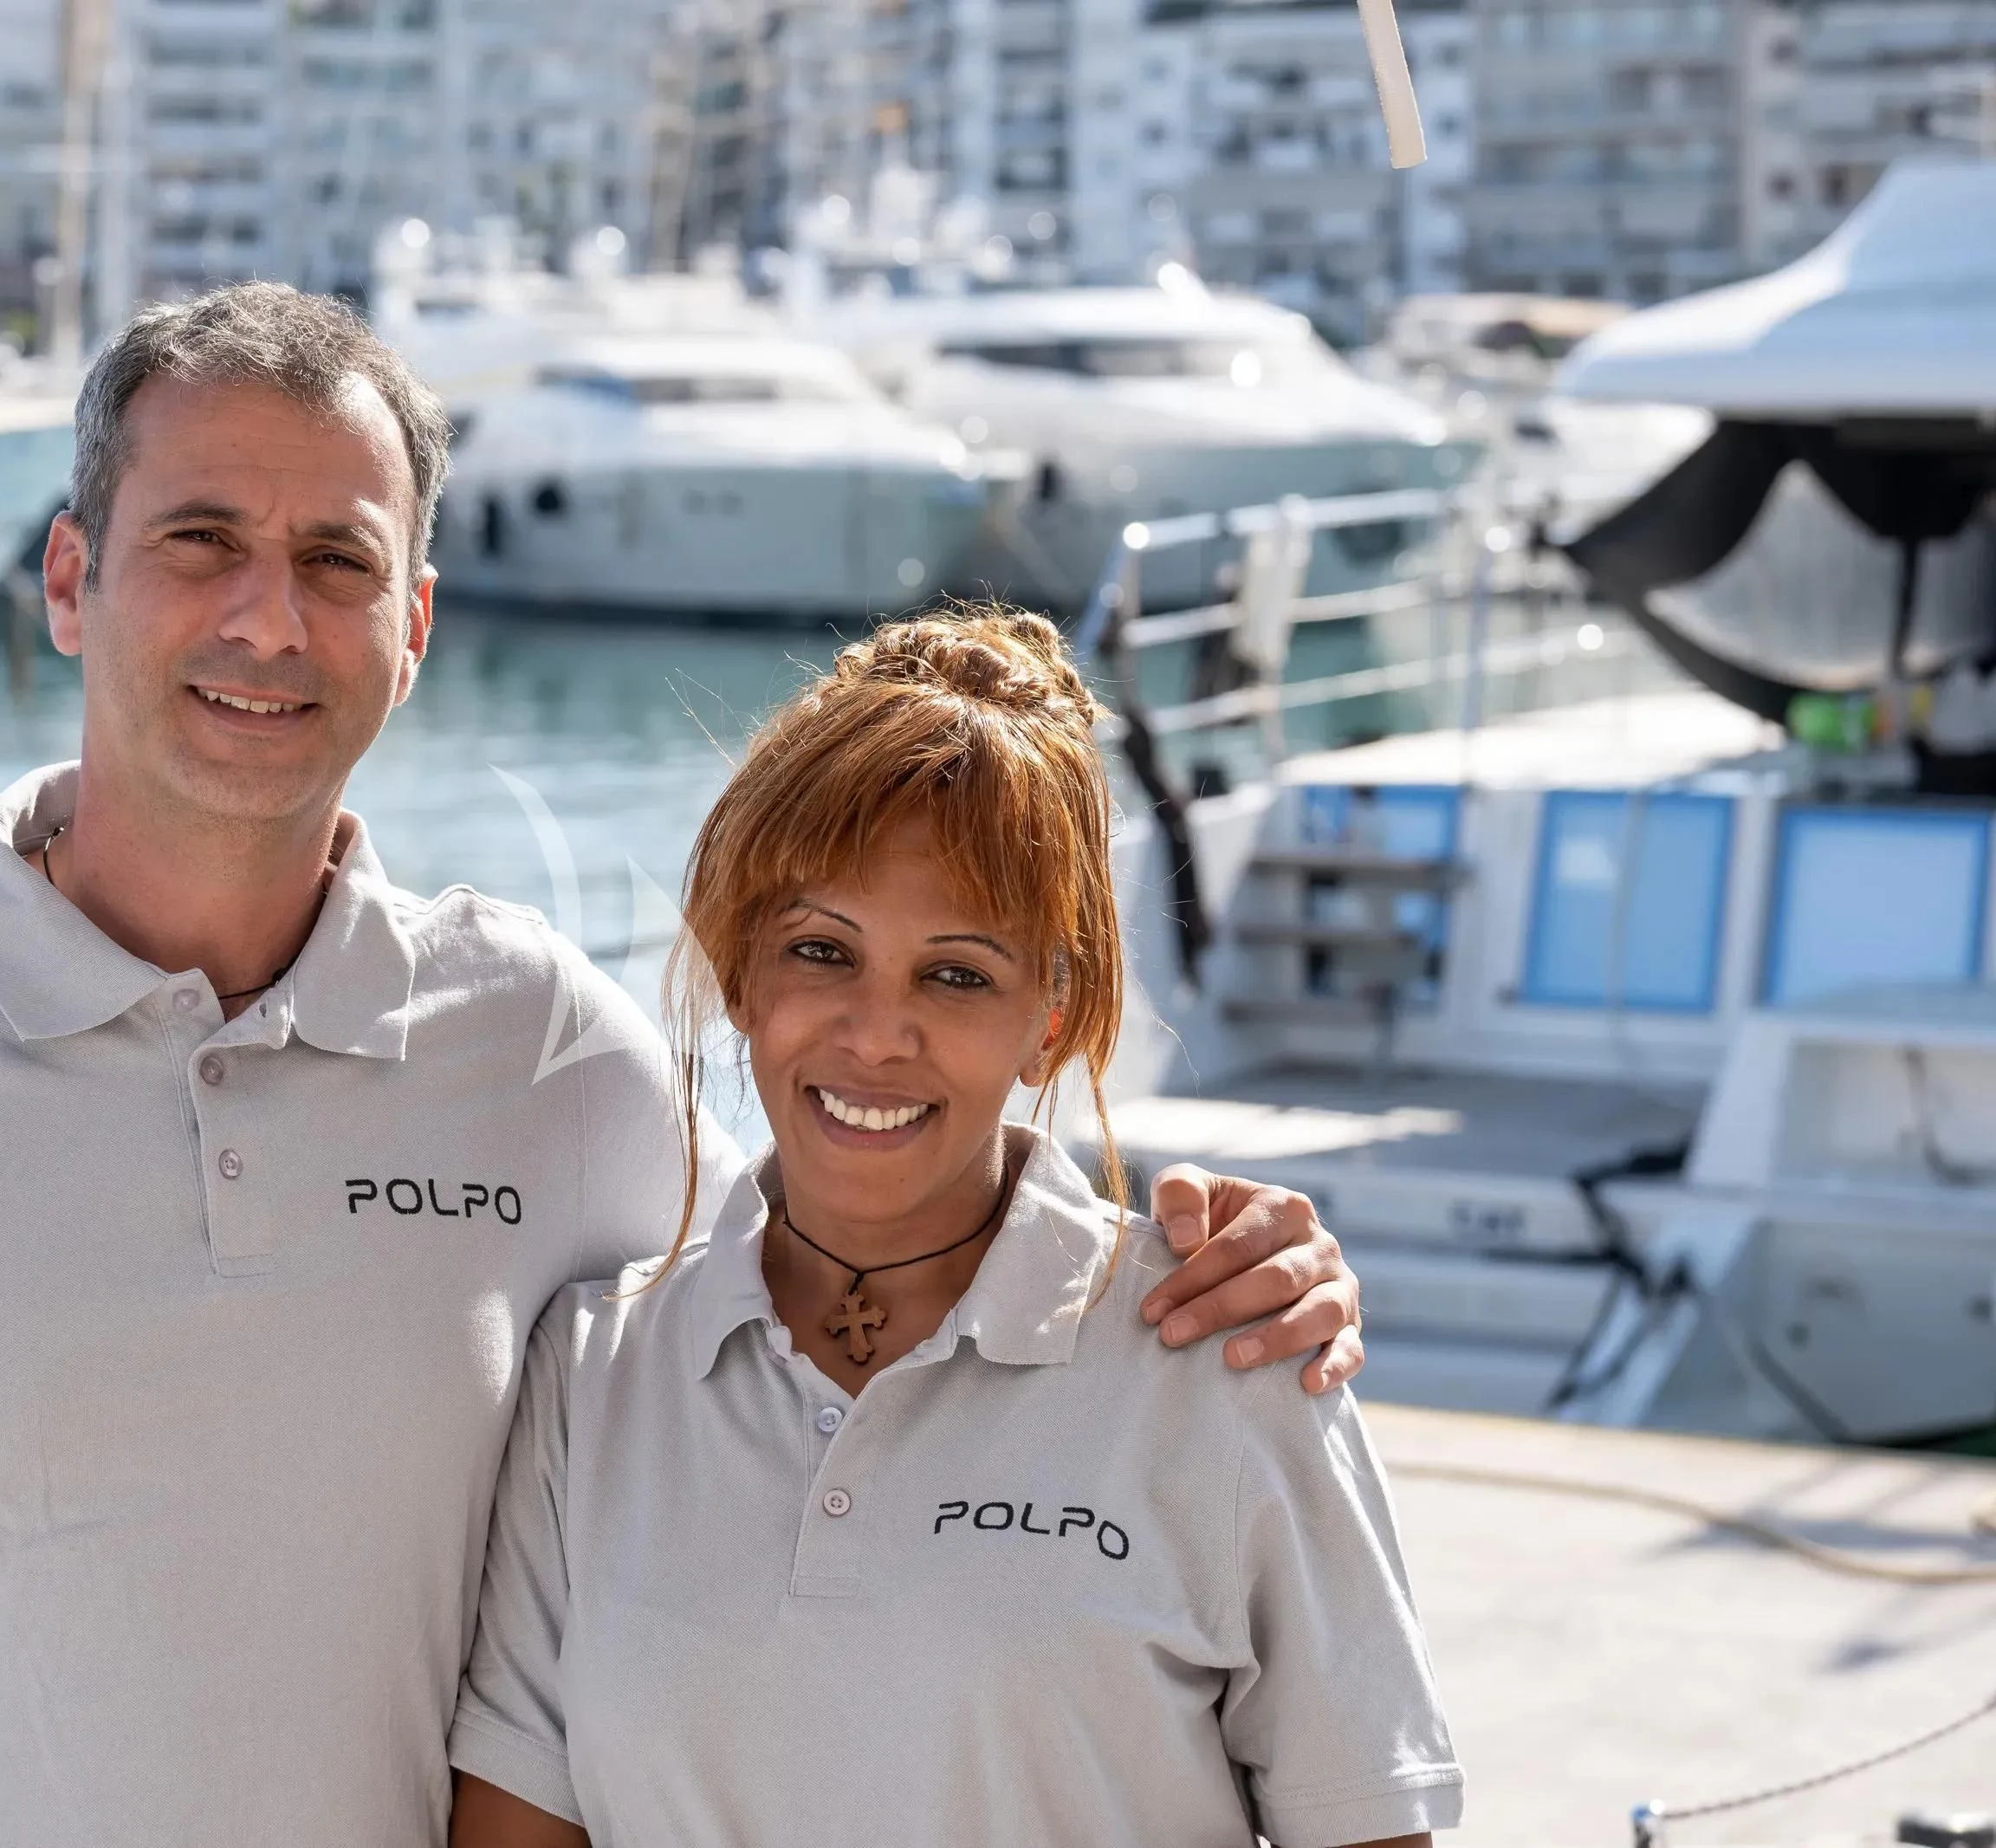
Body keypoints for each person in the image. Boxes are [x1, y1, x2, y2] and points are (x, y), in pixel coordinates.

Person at [0, 285, 1369, 1848]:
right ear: (69, 578)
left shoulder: (552, 1049)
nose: (269, 619)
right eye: (200, 542)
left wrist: (1212, 1274)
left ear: (413, 624)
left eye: (338, 560)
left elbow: (842, 1261)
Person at [449, 607, 1461, 1848]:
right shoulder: (593, 1375)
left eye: (958, 973)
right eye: (820, 951)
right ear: (738, 970)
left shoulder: (1225, 1362)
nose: (877, 1034)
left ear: (1055, 1009)